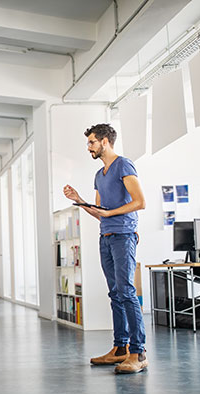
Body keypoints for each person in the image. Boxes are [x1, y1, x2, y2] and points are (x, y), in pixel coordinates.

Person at [63, 123, 147, 374]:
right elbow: (101, 213)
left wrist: (111, 213)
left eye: (91, 142)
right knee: (115, 293)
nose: (89, 147)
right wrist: (79, 200)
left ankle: (138, 352)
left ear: (105, 142)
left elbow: (140, 202)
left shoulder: (124, 165)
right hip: (106, 237)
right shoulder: (99, 175)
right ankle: (120, 349)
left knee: (127, 291)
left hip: (124, 236)